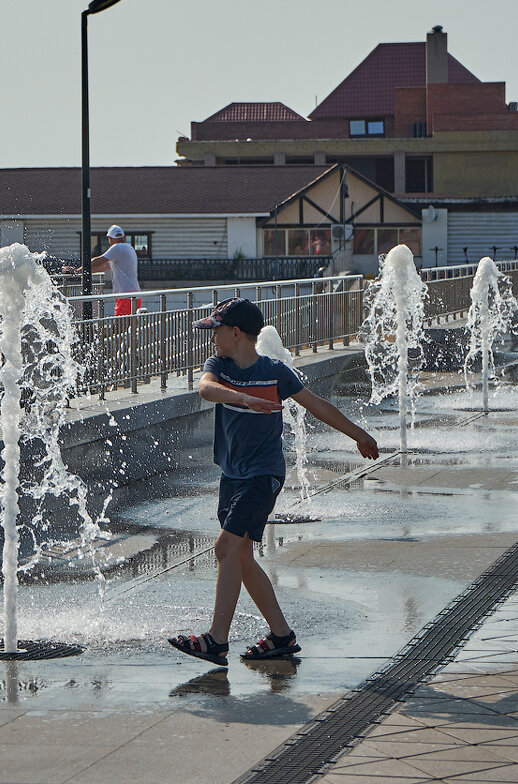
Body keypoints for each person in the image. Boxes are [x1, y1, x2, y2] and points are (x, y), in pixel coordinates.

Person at [168, 297, 379, 665]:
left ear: (235, 333)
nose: (212, 337)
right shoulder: (218, 365)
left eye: (216, 330)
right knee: (241, 557)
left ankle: (217, 640)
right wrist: (245, 399)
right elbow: (205, 389)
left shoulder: (275, 372)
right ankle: (281, 635)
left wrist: (358, 434)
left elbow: (316, 405)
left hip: (262, 474)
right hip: (231, 475)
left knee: (224, 549)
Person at [92, 225, 141, 316]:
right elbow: (101, 267)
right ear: (124, 237)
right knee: (129, 327)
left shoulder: (117, 248)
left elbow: (97, 261)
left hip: (125, 296)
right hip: (134, 295)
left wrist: (77, 269)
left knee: (119, 327)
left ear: (110, 239)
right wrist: (79, 271)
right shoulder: (128, 248)